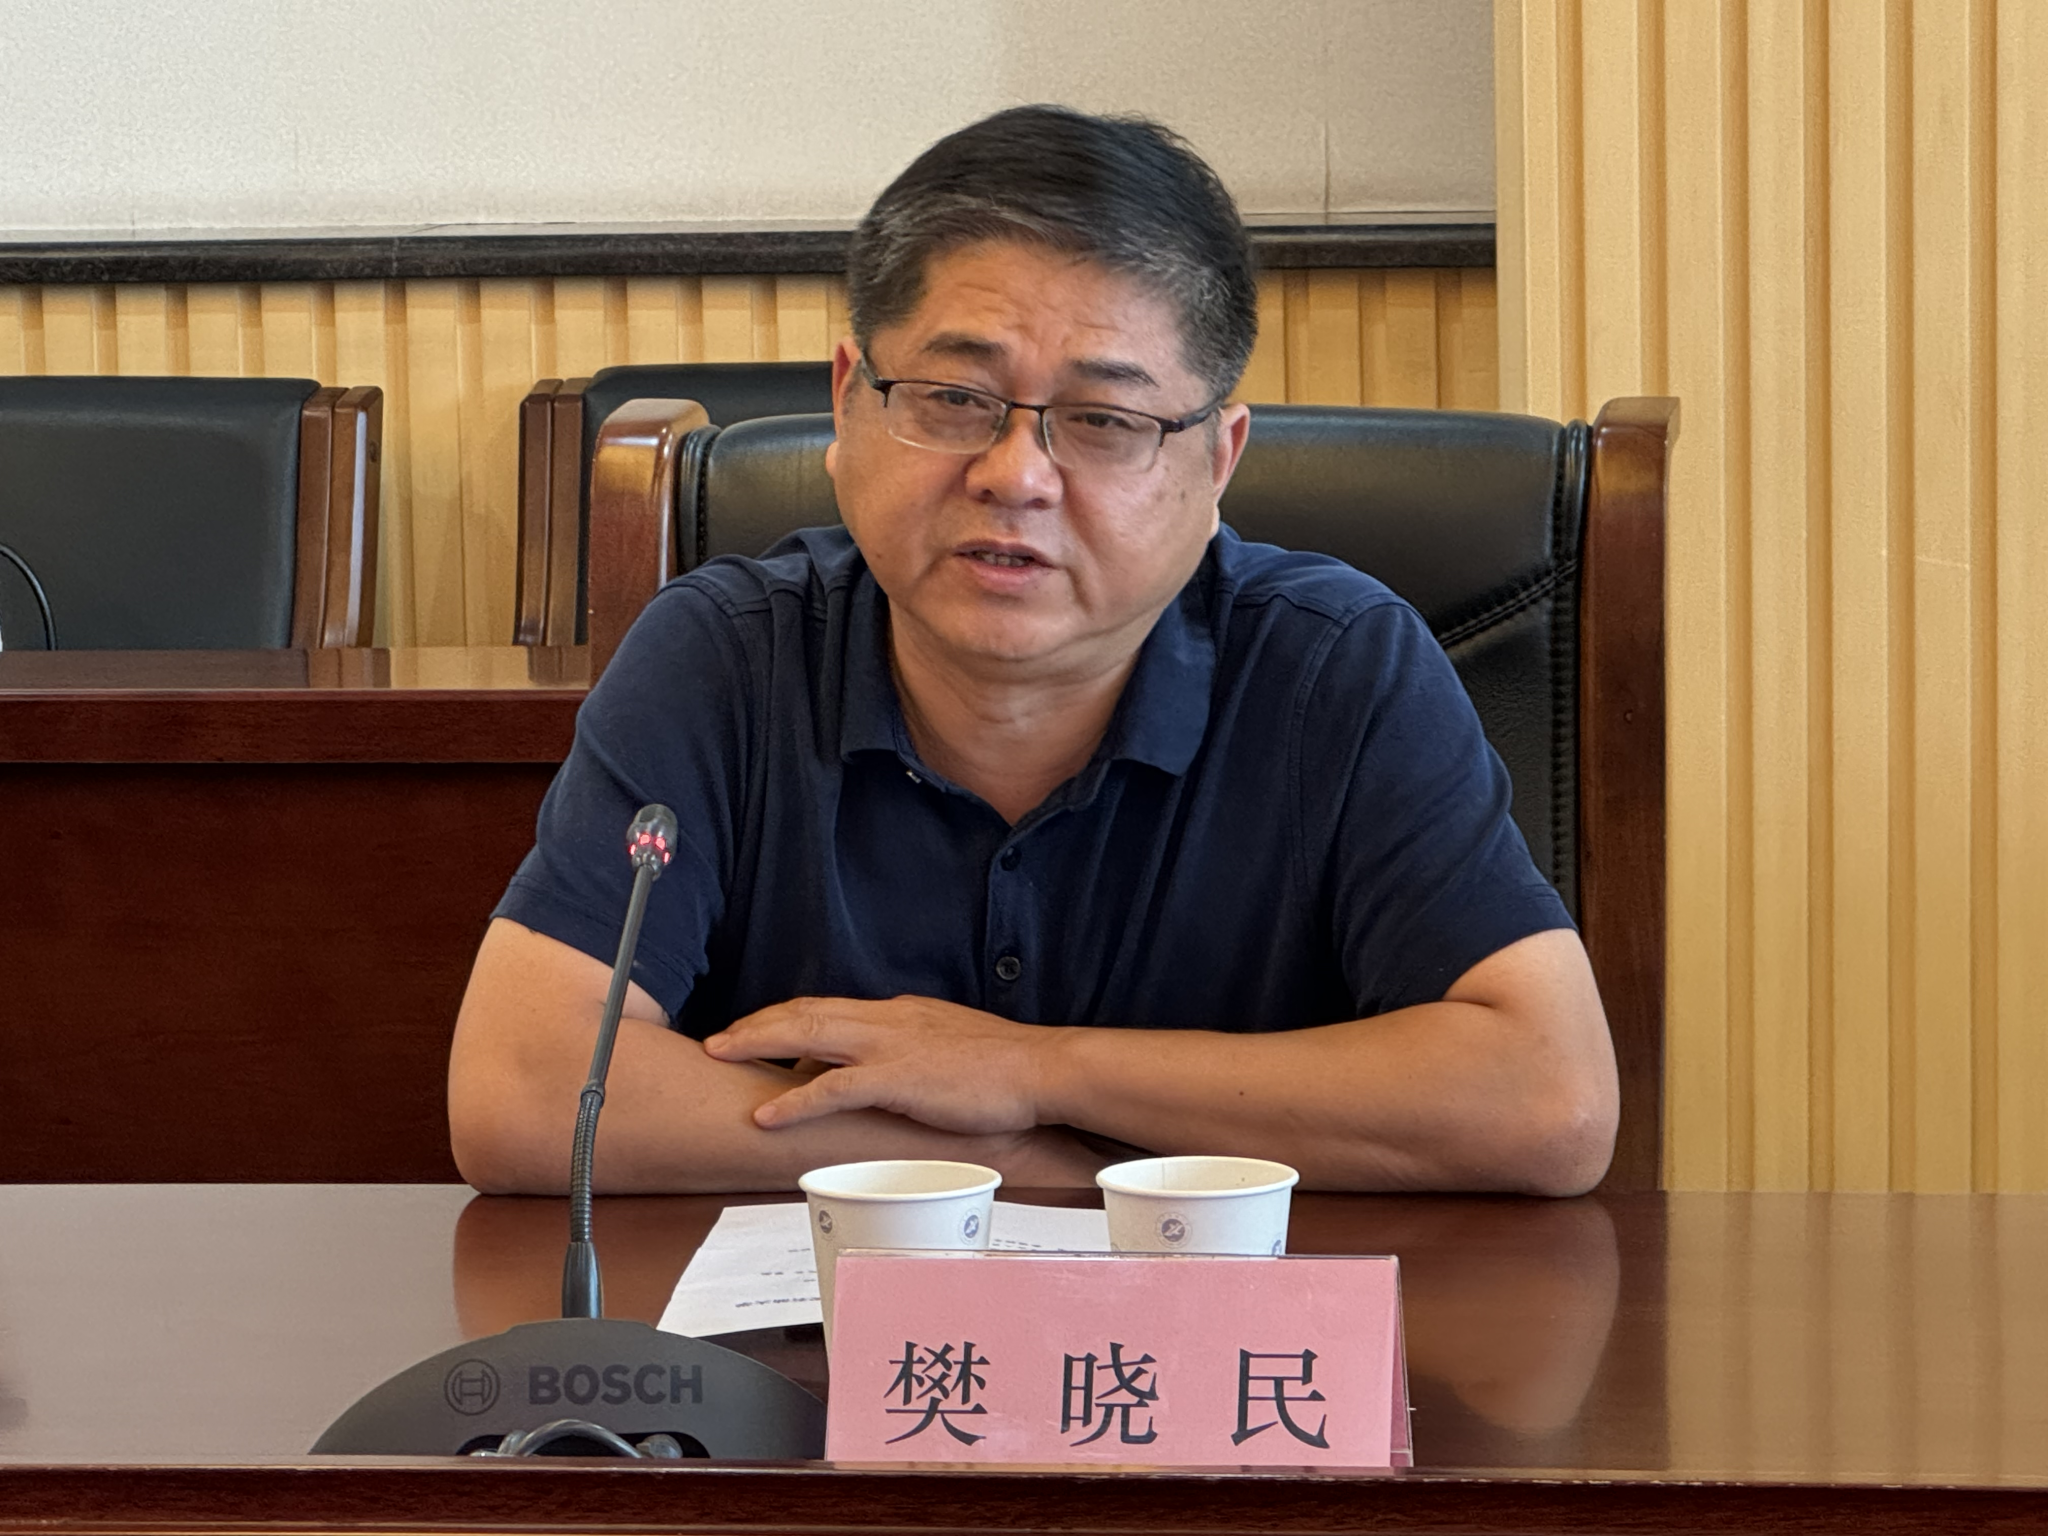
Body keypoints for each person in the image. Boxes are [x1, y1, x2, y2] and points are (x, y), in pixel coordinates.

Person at [448, 105, 1618, 1198]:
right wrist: (1014, 1158)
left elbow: (1545, 1098)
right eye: (954, 398)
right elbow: (523, 1086)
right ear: (850, 402)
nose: (1014, 475)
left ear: (1216, 459)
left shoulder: (1336, 668)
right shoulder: (721, 658)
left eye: (1104, 420)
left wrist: (1033, 1070)